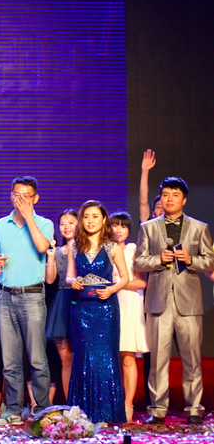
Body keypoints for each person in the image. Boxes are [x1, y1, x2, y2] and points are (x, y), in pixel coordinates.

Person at [136, 177, 213, 425]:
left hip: (189, 303)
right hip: (158, 302)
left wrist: (191, 260)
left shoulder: (199, 228)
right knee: (158, 361)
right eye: (166, 195)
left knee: (192, 359)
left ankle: (194, 408)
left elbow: (209, 261)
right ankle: (158, 409)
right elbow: (138, 261)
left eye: (175, 195)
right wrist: (158, 259)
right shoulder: (148, 228)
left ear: (184, 199)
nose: (170, 199)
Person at [0, 176, 54, 425]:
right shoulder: (1, 225)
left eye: (26, 196)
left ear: (35, 198)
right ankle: (13, 410)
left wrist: (28, 217)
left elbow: (42, 247)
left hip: (32, 295)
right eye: (17, 195)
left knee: (37, 358)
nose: (21, 200)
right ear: (11, 196)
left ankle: (42, 409)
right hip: (5, 295)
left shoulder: (44, 223)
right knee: (10, 360)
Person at [66, 201, 129, 424]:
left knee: (105, 359)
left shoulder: (113, 246)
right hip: (82, 308)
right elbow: (69, 275)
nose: (90, 220)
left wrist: (111, 289)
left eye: (95, 216)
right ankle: (83, 413)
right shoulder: (74, 246)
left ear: (103, 220)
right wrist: (72, 282)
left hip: (106, 309)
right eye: (86, 216)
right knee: (83, 359)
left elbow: (125, 278)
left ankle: (105, 414)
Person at [109, 211, 148, 423]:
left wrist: (116, 286)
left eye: (123, 226)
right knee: (108, 358)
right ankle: (110, 404)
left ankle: (127, 405)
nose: (118, 230)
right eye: (115, 225)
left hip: (129, 301)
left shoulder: (134, 250)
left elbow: (141, 282)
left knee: (127, 357)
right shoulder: (103, 250)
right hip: (107, 302)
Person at [44, 210, 77, 402]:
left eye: (71, 222)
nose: (66, 227)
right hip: (61, 302)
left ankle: (84, 403)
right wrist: (50, 258)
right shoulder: (57, 251)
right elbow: (50, 280)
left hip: (80, 299)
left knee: (81, 358)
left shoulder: (85, 249)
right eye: (63, 223)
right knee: (66, 359)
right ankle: (70, 404)